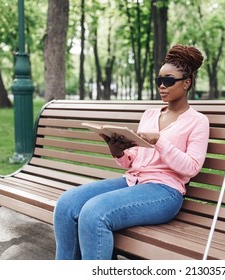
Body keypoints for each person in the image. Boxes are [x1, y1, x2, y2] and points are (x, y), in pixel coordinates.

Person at [53, 44, 210, 260]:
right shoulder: (150, 114)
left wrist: (160, 141)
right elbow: (135, 159)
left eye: (168, 80)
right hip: (133, 180)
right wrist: (118, 152)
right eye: (158, 80)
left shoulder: (198, 121)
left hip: (165, 192)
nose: (161, 86)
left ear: (186, 83)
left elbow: (191, 167)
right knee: (66, 204)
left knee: (94, 213)